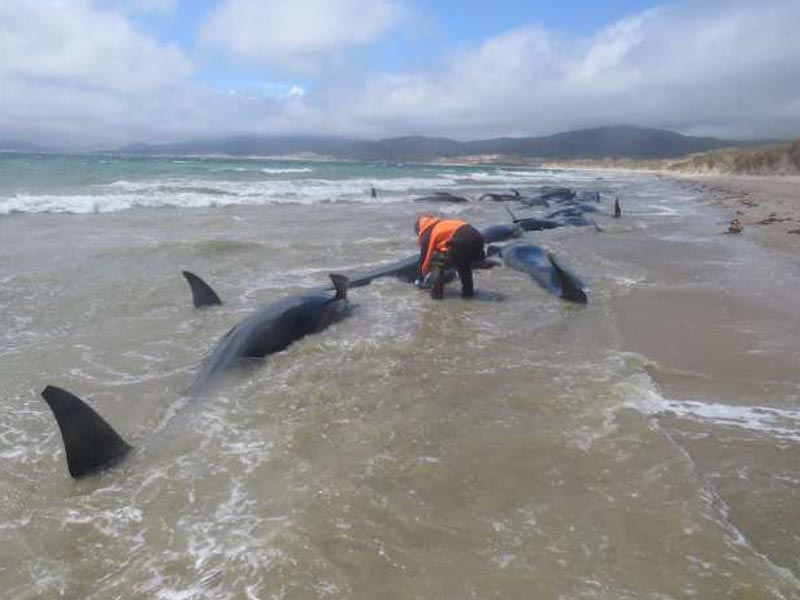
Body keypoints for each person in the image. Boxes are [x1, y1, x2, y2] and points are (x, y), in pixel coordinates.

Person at [414, 214, 486, 300]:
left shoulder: (426, 234)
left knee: (437, 264)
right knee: (463, 267)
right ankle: (468, 294)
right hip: (478, 238)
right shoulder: (441, 224)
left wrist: (420, 277)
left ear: (419, 229)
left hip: (461, 241)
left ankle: (437, 296)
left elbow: (424, 258)